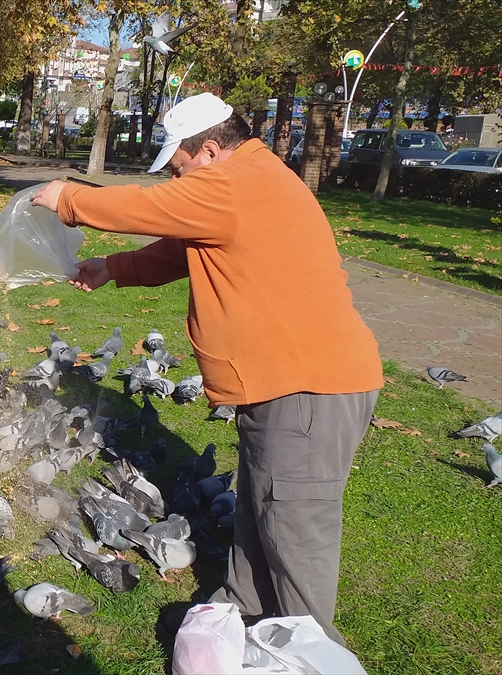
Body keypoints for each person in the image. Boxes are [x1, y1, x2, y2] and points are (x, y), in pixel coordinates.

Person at [30, 92, 382, 646]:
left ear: (211, 151)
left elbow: (149, 209)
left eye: (179, 169)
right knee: (261, 505)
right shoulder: (245, 182)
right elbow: (181, 248)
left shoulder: (239, 183)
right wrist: (113, 268)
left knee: (294, 532)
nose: (176, 181)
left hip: (308, 386)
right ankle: (241, 616)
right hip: (283, 381)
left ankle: (308, 650)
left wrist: (67, 198)